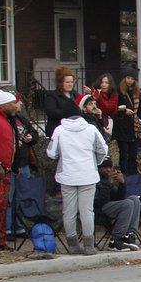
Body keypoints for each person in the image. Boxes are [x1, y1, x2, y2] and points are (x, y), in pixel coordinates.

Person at [46, 106, 108, 255]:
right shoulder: (91, 129)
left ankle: (72, 244)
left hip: (67, 175)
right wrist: (95, 162)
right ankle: (89, 245)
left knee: (69, 211)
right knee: (87, 211)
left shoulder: (59, 130)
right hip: (88, 174)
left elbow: (51, 152)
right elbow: (103, 150)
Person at [5, 93, 38, 240]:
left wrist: (31, 137)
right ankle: (7, 228)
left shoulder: (21, 119)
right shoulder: (6, 120)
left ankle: (19, 227)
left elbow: (34, 132)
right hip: (11, 166)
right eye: (17, 102)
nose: (20, 105)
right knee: (9, 199)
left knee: (22, 197)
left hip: (24, 163)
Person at [94, 159, 141, 251]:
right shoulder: (95, 179)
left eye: (109, 167)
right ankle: (115, 240)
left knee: (134, 199)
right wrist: (109, 183)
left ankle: (129, 235)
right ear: (98, 168)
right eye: (105, 167)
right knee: (127, 204)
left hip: (110, 206)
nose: (108, 170)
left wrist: (122, 183)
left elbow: (119, 198)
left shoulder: (107, 179)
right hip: (99, 209)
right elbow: (99, 201)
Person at [112, 65, 141, 176]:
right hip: (122, 127)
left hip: (134, 127)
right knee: (124, 155)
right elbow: (114, 107)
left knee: (133, 155)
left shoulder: (138, 92)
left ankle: (133, 177)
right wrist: (124, 110)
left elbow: (140, 109)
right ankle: (124, 177)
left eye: (132, 78)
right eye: (127, 78)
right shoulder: (118, 91)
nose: (129, 81)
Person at [44, 65, 85, 137]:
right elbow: (51, 112)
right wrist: (69, 113)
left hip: (75, 130)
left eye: (72, 82)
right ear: (60, 83)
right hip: (58, 130)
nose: (70, 84)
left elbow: (82, 107)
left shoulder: (75, 94)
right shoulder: (52, 96)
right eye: (67, 82)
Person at [0, 90, 17, 250]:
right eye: (12, 103)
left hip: (6, 169)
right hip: (0, 169)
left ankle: (1, 240)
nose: (15, 105)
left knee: (3, 206)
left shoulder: (6, 119)